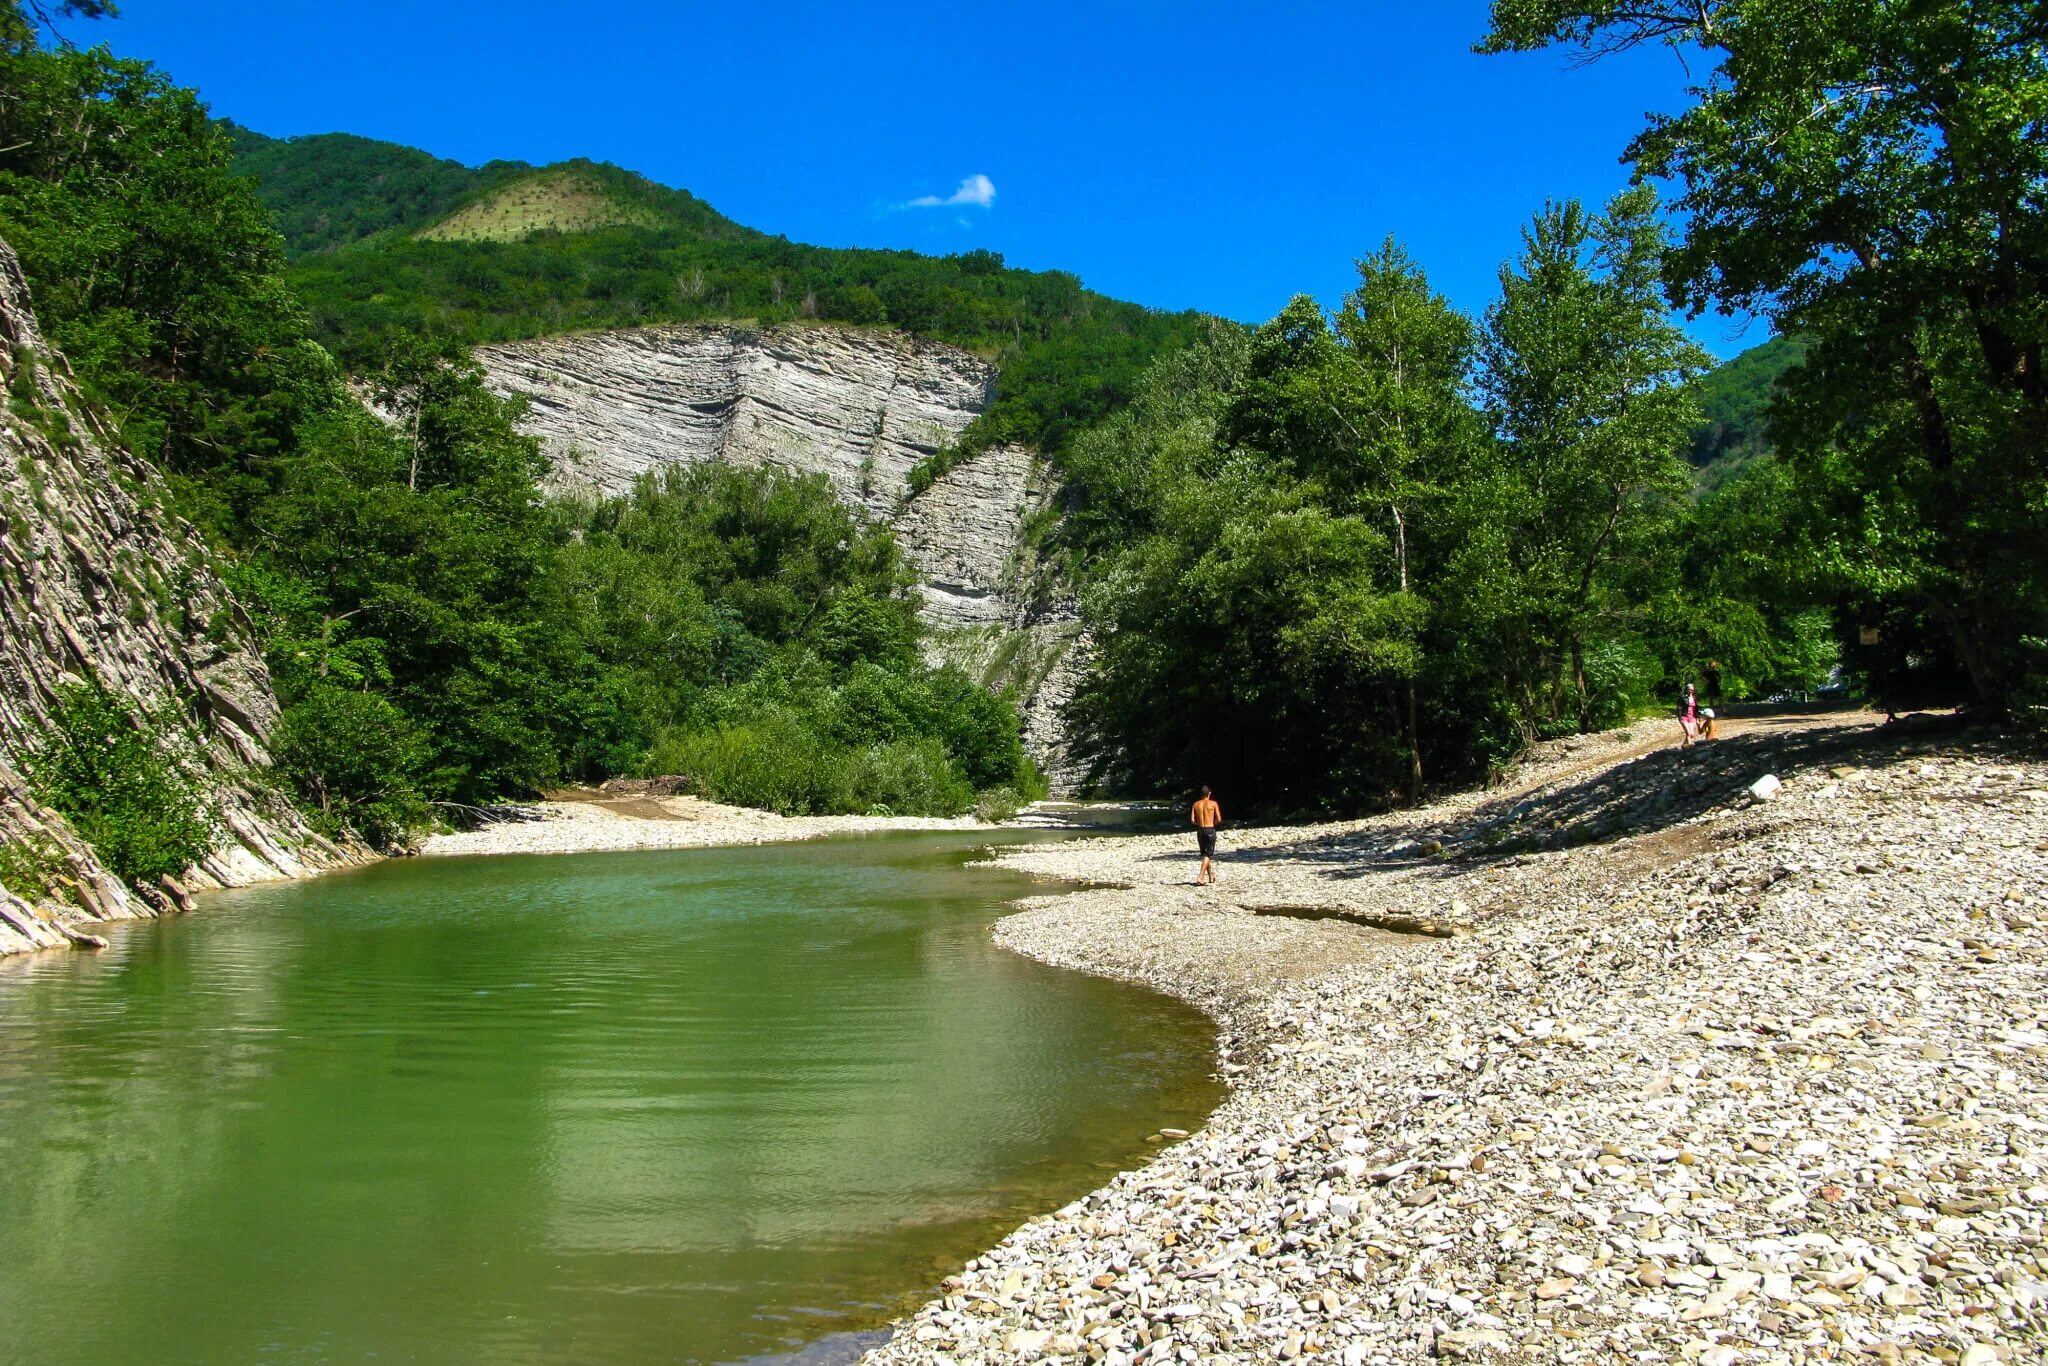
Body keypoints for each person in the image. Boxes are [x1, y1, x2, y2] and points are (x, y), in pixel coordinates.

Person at [1190, 786, 1222, 885]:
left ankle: (1211, 876)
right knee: (1208, 854)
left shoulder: (1196, 804)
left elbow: (1192, 820)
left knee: (1205, 854)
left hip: (1200, 830)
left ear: (1201, 794)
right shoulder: (1213, 803)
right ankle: (1200, 876)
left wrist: (1200, 824)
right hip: (1210, 829)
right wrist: (1213, 824)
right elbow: (1219, 819)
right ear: (1209, 793)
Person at [1677, 682, 1700, 747]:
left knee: (1692, 734)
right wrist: (1680, 717)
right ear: (1687, 690)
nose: (1691, 691)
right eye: (1689, 689)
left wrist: (1698, 718)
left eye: (1692, 690)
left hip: (1692, 718)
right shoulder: (1682, 697)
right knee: (1688, 733)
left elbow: (1696, 709)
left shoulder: (1695, 698)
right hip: (1684, 717)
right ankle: (1689, 748)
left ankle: (1683, 746)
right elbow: (1679, 708)